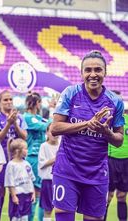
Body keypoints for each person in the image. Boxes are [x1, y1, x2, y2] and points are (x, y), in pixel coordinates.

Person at [51, 50, 125, 221]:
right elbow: (55, 128)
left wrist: (107, 132)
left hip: (97, 174)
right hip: (67, 169)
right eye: (88, 70)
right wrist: (87, 123)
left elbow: (119, 140)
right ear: (82, 73)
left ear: (105, 72)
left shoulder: (115, 102)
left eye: (98, 70)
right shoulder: (70, 93)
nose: (93, 74)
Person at [0, 90, 27, 221]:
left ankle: (15, 218)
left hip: (17, 161)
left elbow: (24, 136)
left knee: (17, 191)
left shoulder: (20, 117)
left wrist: (15, 123)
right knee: (0, 193)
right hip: (1, 161)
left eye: (10, 99)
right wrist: (8, 123)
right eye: (5, 100)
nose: (9, 102)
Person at [23, 92, 52, 221]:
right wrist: (52, 111)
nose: (41, 105)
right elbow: (45, 126)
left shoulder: (38, 117)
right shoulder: (28, 117)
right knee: (33, 192)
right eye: (40, 102)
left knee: (42, 192)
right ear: (36, 103)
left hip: (42, 157)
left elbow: (50, 124)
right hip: (33, 157)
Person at [104, 91, 128, 221]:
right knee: (108, 195)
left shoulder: (125, 119)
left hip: (126, 161)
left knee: (122, 195)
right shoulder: (108, 119)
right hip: (111, 160)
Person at [5, 138, 35, 221]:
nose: (27, 150)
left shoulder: (26, 164)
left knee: (24, 217)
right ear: (18, 151)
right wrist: (14, 196)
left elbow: (30, 179)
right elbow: (10, 183)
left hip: (27, 195)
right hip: (18, 195)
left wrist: (33, 193)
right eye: (25, 148)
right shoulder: (11, 165)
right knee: (15, 217)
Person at [38, 125, 60, 221]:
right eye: (52, 131)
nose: (54, 134)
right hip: (48, 181)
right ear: (47, 133)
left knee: (60, 209)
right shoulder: (44, 146)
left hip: (60, 181)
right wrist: (56, 158)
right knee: (48, 210)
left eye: (57, 131)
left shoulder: (61, 146)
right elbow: (42, 163)